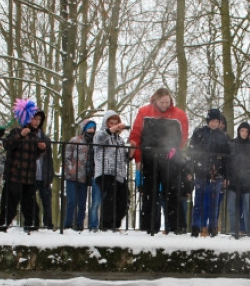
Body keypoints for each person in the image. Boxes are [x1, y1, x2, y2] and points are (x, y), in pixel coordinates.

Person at [129, 87, 189, 234]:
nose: (164, 105)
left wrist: (175, 151)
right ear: (156, 100)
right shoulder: (144, 112)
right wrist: (138, 158)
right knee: (150, 194)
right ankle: (148, 228)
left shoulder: (179, 115)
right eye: (162, 102)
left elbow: (183, 136)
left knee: (173, 193)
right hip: (149, 158)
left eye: (167, 102)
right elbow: (136, 135)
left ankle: (177, 228)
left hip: (170, 159)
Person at [0, 109, 46, 232]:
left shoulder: (35, 136)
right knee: (10, 204)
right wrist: (21, 135)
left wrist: (40, 149)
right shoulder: (16, 131)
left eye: (39, 120)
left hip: (29, 177)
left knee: (30, 205)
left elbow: (33, 156)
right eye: (34, 119)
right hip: (14, 175)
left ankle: (31, 227)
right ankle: (1, 226)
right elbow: (7, 145)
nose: (37, 122)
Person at [188, 108, 230, 237]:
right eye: (212, 120)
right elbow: (191, 153)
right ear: (208, 121)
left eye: (216, 121)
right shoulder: (199, 133)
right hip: (200, 171)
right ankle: (195, 226)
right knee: (198, 201)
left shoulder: (223, 137)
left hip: (216, 173)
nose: (214, 123)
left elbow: (226, 157)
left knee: (214, 202)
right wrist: (190, 170)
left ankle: (213, 227)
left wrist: (225, 175)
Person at [93, 110, 131, 231]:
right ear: (106, 123)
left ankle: (115, 224)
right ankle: (106, 226)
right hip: (105, 172)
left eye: (116, 122)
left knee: (123, 201)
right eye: (111, 123)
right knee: (109, 199)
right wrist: (114, 129)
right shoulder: (100, 135)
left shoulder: (120, 140)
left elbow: (125, 158)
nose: (114, 125)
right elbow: (100, 138)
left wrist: (131, 150)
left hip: (120, 174)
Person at [226, 121, 250, 237]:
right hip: (233, 181)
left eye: (246, 131)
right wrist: (227, 177)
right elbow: (227, 163)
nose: (244, 133)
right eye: (242, 130)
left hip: (247, 182)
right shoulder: (231, 144)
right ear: (239, 131)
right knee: (232, 209)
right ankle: (233, 232)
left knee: (249, 211)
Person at [63, 118, 97, 231]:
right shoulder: (74, 140)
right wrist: (70, 169)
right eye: (89, 128)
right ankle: (67, 224)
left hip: (85, 177)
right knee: (71, 201)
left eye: (93, 128)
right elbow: (67, 157)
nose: (91, 130)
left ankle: (79, 225)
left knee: (82, 203)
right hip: (72, 176)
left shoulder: (94, 143)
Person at [32, 119, 55, 230]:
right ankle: (34, 222)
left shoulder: (46, 139)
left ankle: (48, 224)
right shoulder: (29, 137)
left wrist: (50, 175)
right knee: (31, 201)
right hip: (31, 176)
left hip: (44, 176)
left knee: (47, 202)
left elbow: (49, 159)